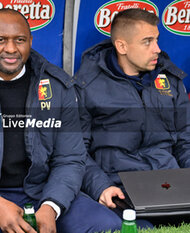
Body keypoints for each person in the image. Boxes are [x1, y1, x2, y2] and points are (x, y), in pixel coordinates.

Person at [0, 8, 122, 233]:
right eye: (0, 40)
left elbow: (70, 159)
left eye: (20, 40)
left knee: (108, 226)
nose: (11, 49)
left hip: (42, 194)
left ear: (30, 41)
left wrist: (52, 206)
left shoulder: (58, 88)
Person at [74, 8, 190, 225]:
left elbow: (186, 139)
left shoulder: (170, 79)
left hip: (169, 184)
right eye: (147, 42)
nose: (157, 49)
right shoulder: (86, 86)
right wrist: (101, 186)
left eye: (156, 40)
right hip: (119, 189)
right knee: (136, 227)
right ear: (122, 46)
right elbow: (75, 150)